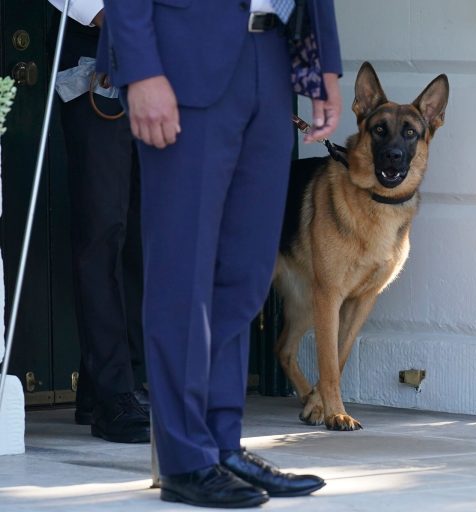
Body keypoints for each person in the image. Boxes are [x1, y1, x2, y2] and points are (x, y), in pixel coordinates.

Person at [98, 0, 342, 507]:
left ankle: (222, 444)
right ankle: (186, 460)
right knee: (182, 274)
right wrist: (141, 69)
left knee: (248, 270)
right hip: (182, 60)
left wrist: (325, 67)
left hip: (270, 56)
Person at [48, 0, 149, 444]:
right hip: (98, 54)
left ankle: (107, 382)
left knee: (143, 235)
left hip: (161, 62)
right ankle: (114, 393)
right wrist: (111, 18)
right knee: (103, 231)